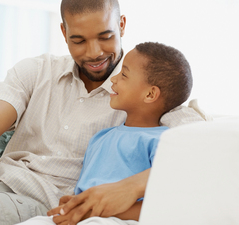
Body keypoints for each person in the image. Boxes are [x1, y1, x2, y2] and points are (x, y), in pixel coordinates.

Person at [0, 0, 205, 225]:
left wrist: (130, 189)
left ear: (121, 24)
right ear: (64, 33)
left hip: (37, 203)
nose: (94, 53)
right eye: (79, 40)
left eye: (105, 37)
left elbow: (200, 151)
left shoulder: (147, 90)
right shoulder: (37, 70)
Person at [15, 41, 192, 225]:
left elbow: (165, 205)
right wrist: (75, 205)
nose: (114, 79)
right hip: (85, 217)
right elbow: (84, 191)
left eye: (124, 74)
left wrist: (96, 214)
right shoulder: (101, 138)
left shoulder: (162, 141)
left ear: (149, 95)